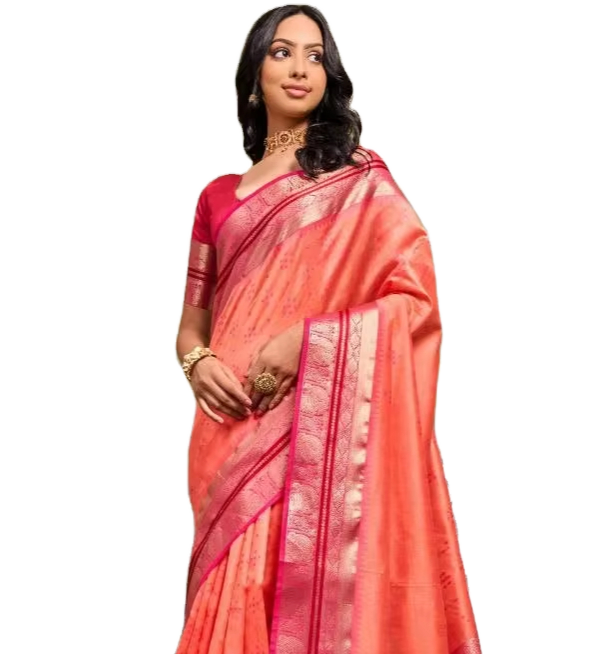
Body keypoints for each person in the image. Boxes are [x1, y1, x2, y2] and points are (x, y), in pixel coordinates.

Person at [174, 5, 481, 653]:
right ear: (253, 78)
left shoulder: (356, 177)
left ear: (329, 76)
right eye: (282, 52)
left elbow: (414, 300)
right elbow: (191, 327)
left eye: (315, 56)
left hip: (307, 418)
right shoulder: (216, 196)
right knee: (227, 593)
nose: (300, 68)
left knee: (299, 589)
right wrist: (198, 363)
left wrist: (308, 343)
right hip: (226, 431)